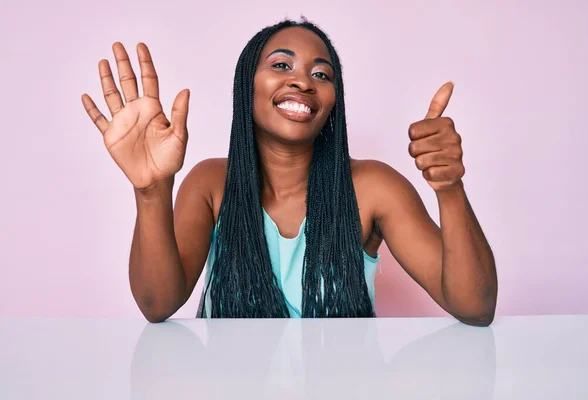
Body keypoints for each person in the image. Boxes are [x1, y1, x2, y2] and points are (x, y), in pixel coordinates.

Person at [81, 19, 497, 325]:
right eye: (281, 66)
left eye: (321, 74)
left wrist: (450, 188)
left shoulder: (373, 188)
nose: (302, 81)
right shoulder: (211, 184)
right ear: (248, 85)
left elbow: (475, 306)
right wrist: (152, 190)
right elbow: (158, 304)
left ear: (334, 101)